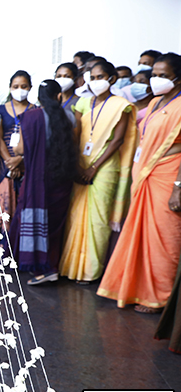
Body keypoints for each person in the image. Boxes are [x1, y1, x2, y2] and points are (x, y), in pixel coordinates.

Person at [98, 53, 181, 311]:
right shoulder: (156, 102)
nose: (156, 79)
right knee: (142, 235)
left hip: (168, 177)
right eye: (154, 74)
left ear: (178, 79)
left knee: (165, 239)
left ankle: (162, 297)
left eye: (162, 75)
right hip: (144, 176)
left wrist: (179, 187)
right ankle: (139, 289)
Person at [59, 61, 137, 283]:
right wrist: (77, 164)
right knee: (75, 215)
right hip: (81, 164)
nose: (95, 81)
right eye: (92, 77)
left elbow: (118, 140)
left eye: (100, 77)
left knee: (98, 219)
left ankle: (91, 271)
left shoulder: (121, 105)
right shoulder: (83, 103)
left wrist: (94, 167)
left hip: (104, 166)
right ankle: (72, 267)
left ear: (111, 79)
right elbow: (75, 133)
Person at [8, 80, 78, 283]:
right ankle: (52, 266)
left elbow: (19, 150)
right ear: (59, 96)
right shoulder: (70, 117)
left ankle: (39, 266)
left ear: (38, 98)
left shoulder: (30, 117)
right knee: (55, 224)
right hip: (62, 178)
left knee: (33, 219)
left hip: (37, 178)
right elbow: (73, 146)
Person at [0, 70, 36, 232]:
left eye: (24, 86)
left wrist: (21, 160)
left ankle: (20, 246)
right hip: (5, 165)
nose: (20, 90)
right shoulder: (0, 110)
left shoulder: (36, 110)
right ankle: (3, 246)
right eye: (16, 86)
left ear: (30, 87)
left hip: (27, 165)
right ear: (10, 88)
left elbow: (35, 141)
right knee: (3, 205)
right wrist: (10, 163)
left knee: (23, 203)